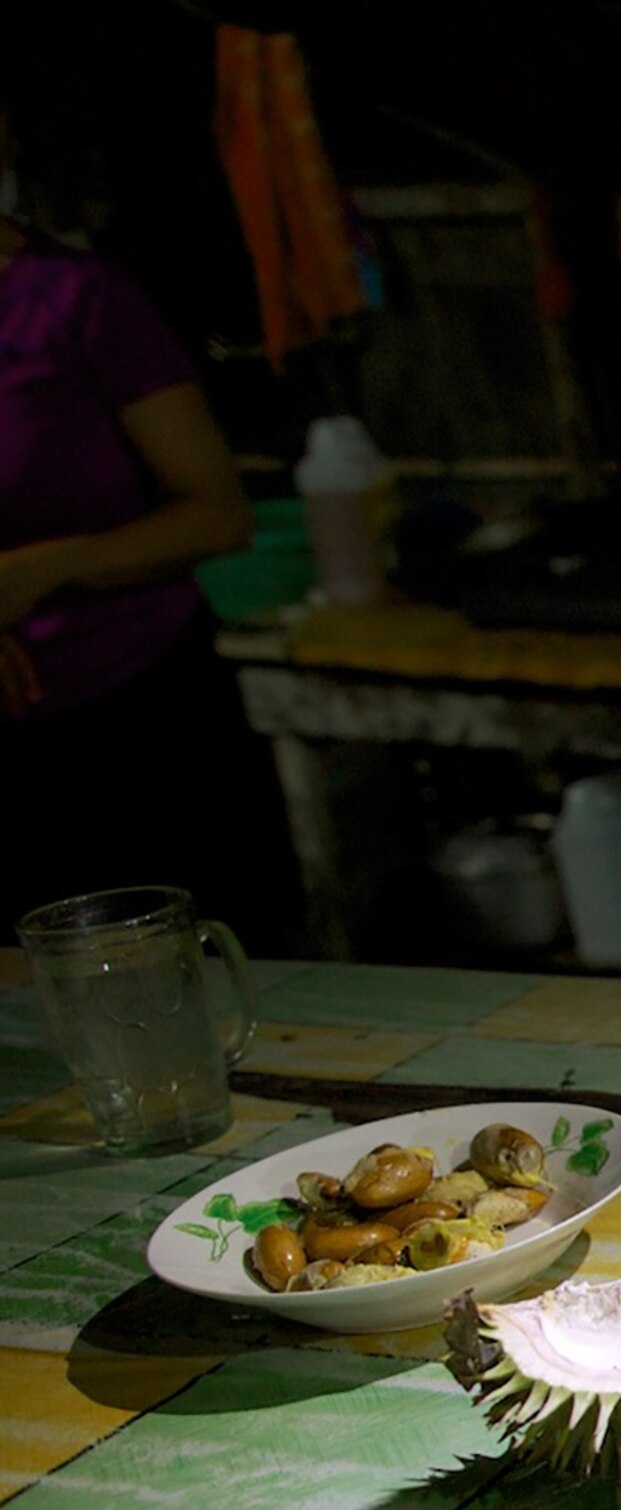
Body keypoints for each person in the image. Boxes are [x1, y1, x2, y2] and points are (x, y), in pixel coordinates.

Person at [0, 98, 290, 935]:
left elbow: (216, 516)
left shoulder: (73, 300)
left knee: (199, 974)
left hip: (136, 718)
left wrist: (37, 571)